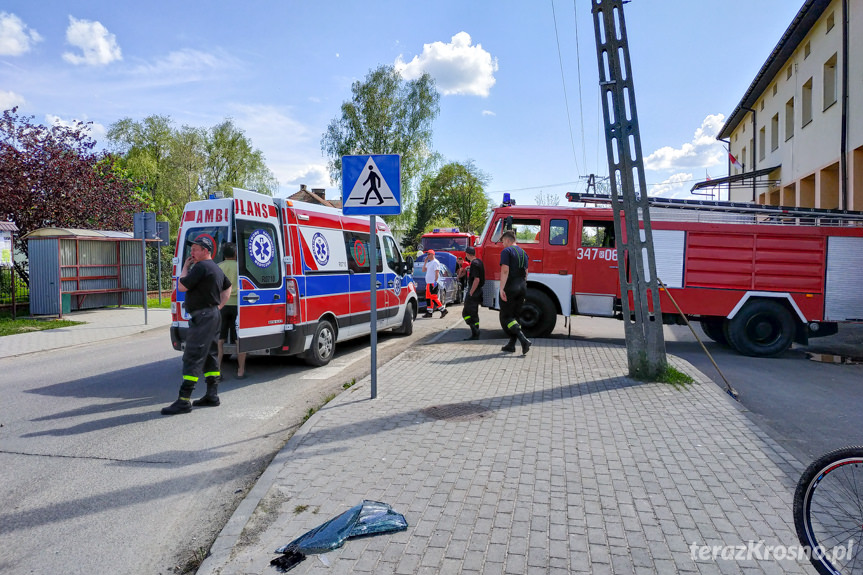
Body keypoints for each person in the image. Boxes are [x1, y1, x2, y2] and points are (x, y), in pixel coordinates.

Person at [162, 236, 232, 415]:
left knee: (192, 356)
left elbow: (182, 286)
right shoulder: (215, 267)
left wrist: (185, 267)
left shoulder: (200, 267)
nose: (192, 252)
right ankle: (212, 395)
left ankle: (184, 401)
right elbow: (228, 287)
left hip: (202, 317)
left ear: (206, 251)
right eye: (191, 249)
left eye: (195, 249)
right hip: (212, 315)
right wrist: (219, 307)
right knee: (210, 355)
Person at [216, 243, 247, 380]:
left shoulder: (218, 267)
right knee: (239, 339)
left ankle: (217, 372)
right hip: (238, 306)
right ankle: (240, 371)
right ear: (235, 253)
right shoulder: (241, 267)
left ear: (224, 254)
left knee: (220, 340)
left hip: (222, 306)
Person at [498, 230, 531, 354]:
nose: (502, 244)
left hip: (510, 286)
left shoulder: (506, 251)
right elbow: (526, 272)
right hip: (522, 286)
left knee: (506, 316)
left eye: (503, 242)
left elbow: (505, 270)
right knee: (515, 317)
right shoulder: (524, 253)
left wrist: (502, 288)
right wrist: (523, 286)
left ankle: (523, 340)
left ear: (507, 240)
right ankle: (511, 345)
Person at [461, 246, 485, 340]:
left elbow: (477, 279)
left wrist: (471, 292)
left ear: (467, 254)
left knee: (466, 313)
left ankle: (475, 331)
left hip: (474, 291)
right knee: (474, 313)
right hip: (478, 291)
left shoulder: (474, 264)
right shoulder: (478, 262)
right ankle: (476, 333)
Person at [421, 249, 448, 319]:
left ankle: (443, 310)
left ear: (433, 254)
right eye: (427, 254)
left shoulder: (435, 262)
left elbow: (437, 272)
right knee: (428, 298)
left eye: (429, 254)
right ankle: (429, 312)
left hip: (433, 283)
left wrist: (435, 281)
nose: (428, 255)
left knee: (433, 298)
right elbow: (423, 270)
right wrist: (425, 262)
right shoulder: (429, 263)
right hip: (428, 283)